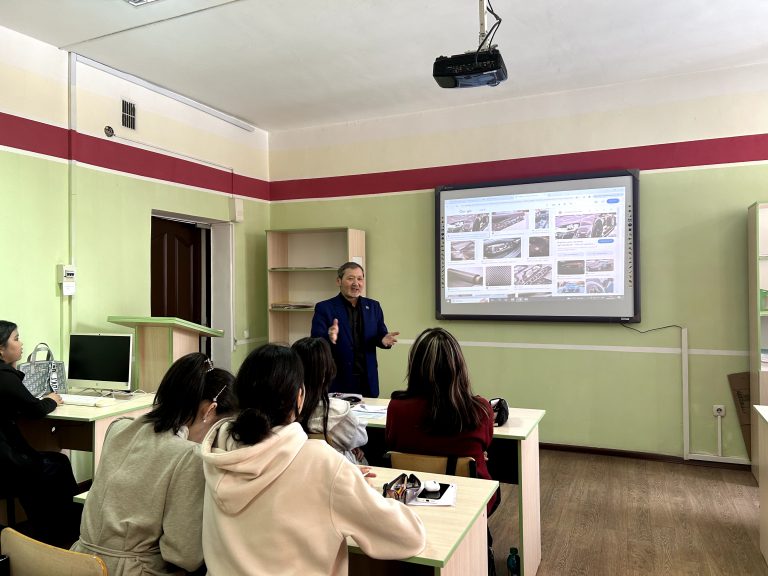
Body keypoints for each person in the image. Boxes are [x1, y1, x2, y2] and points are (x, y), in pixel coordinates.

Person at [200, 344, 426, 576]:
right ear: (300, 397)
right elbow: (409, 538)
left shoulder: (217, 453)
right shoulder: (323, 463)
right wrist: (356, 486)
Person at [71, 353, 236, 576]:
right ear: (209, 410)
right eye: (218, 427)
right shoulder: (189, 455)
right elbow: (184, 555)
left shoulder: (118, 427)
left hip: (78, 561)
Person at [385, 327, 499, 515]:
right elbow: (485, 444)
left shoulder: (397, 407)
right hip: (470, 502)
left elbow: (392, 442)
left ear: (415, 366)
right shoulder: (480, 409)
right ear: (459, 366)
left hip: (411, 499)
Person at [0, 320, 79, 547]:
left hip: (4, 460)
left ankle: (47, 530)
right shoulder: (5, 377)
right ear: (1, 349)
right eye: (16, 339)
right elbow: (35, 409)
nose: (21, 343)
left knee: (52, 463)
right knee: (58, 464)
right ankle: (70, 528)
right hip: (7, 465)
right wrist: (51, 399)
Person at [311, 262, 399, 397]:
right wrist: (329, 336)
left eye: (359, 279)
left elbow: (380, 334)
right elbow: (315, 343)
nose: (356, 283)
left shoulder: (373, 306)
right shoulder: (325, 308)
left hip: (367, 380)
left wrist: (383, 340)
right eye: (350, 278)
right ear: (339, 281)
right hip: (338, 380)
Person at [292, 336, 368, 464]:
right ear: (326, 371)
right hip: (335, 468)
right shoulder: (337, 410)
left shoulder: (284, 409)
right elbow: (360, 437)